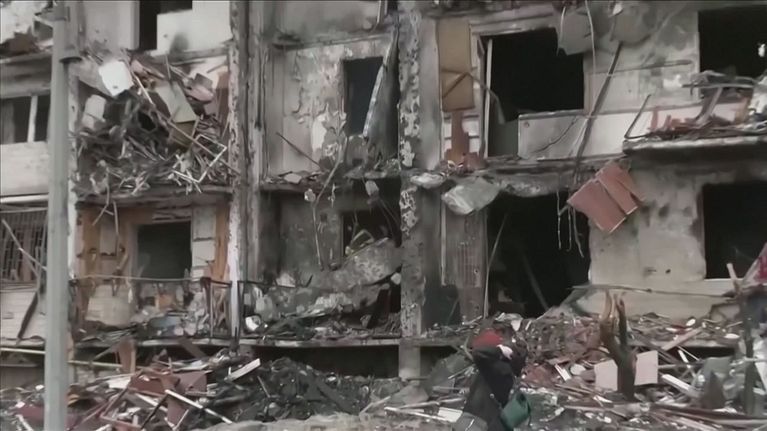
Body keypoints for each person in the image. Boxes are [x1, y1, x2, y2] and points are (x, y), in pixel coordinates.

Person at [452, 329, 529, 431]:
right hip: (481, 424)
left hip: (472, 423)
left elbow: (478, 352)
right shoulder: (509, 377)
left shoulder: (498, 370)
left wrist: (499, 350)